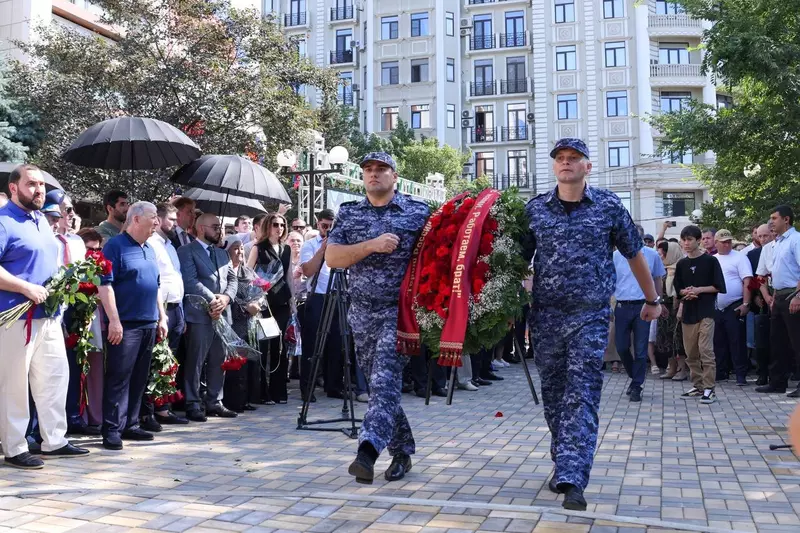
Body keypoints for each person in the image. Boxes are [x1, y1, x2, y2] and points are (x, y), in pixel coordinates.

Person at [523, 138, 660, 511]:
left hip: (591, 315)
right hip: (546, 316)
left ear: (588, 166)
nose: (566, 163)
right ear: (554, 167)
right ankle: (563, 459)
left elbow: (635, 255)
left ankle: (573, 476)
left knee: (582, 393)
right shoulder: (534, 210)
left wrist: (652, 300)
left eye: (574, 159)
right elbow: (516, 263)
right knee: (554, 395)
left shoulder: (608, 206)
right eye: (561, 159)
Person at [326, 152, 430, 485]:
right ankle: (402, 453)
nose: (374, 174)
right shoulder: (350, 213)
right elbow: (333, 258)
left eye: (381, 169)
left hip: (398, 313)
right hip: (362, 311)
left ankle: (366, 452)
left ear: (394, 176)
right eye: (368, 170)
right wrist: (371, 245)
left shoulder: (417, 212)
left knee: (385, 380)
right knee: (379, 386)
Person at [0, 164, 90, 469]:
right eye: (31, 185)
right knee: (14, 384)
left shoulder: (40, 219)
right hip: (15, 318)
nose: (39, 190)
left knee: (53, 378)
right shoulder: (3, 221)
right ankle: (14, 447)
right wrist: (26, 287)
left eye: (41, 185)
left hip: (49, 314)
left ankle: (54, 440)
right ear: (14, 188)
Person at [98, 201, 169, 451]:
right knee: (119, 377)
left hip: (149, 323)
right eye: (153, 217)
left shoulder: (149, 248)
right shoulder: (115, 247)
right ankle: (112, 429)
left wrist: (162, 317)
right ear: (136, 219)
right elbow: (104, 285)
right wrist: (114, 320)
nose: (157, 222)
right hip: (125, 325)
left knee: (139, 377)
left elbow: (156, 285)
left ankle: (131, 423)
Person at [179, 213, 238, 420]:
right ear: (202, 228)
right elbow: (190, 280)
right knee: (195, 361)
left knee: (218, 360)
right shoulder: (186, 251)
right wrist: (214, 299)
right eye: (215, 226)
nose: (219, 230)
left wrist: (226, 298)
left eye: (220, 227)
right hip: (199, 314)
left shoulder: (222, 254)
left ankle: (215, 401)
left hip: (222, 315)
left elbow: (233, 280)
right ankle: (193, 402)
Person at [140, 203, 189, 431]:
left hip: (176, 306)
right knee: (155, 361)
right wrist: (162, 316)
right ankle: (148, 411)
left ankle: (163, 407)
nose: (175, 223)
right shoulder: (151, 244)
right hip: (161, 309)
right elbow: (156, 281)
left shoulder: (170, 245)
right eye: (171, 219)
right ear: (158, 220)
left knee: (168, 361)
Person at [673, 225, 726, 404]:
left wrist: (699, 290)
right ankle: (698, 385)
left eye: (689, 240)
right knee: (691, 353)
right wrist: (686, 292)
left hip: (706, 310)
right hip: (688, 311)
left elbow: (718, 286)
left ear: (698, 240)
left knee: (706, 350)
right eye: (684, 240)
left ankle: (710, 388)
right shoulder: (681, 264)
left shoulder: (710, 261)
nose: (686, 243)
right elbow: (677, 288)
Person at [299, 210, 347, 401]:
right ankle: (307, 388)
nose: (328, 229)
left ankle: (333, 385)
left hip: (338, 296)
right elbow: (308, 270)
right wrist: (323, 249)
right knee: (312, 344)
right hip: (318, 297)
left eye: (331, 226)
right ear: (318, 224)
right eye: (324, 226)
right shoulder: (310, 245)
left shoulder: (343, 245)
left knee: (337, 343)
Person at [247, 213, 292, 405]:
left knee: (280, 348)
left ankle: (279, 391)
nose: (279, 228)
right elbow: (248, 273)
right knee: (263, 347)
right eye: (275, 224)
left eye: (282, 225)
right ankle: (261, 393)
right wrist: (259, 286)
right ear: (268, 226)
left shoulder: (287, 249)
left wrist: (292, 302)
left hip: (282, 302)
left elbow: (288, 275)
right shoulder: (259, 248)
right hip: (263, 303)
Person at [613, 243, 666, 402]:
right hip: (622, 305)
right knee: (621, 346)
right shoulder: (616, 256)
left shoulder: (652, 254)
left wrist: (658, 301)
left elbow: (657, 279)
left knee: (641, 348)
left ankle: (637, 386)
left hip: (644, 305)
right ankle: (634, 375)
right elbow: (610, 280)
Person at [756, 206, 800, 396]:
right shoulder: (778, 243)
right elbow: (774, 273)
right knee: (777, 342)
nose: (771, 222)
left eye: (774, 218)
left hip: (793, 295)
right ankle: (777, 382)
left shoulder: (796, 240)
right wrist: (773, 295)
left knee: (797, 342)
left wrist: (798, 296)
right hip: (779, 296)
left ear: (786, 219)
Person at [222, 235, 260, 413]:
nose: (239, 252)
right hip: (231, 321)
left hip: (249, 324)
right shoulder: (223, 270)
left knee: (247, 363)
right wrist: (245, 306)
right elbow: (227, 294)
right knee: (233, 363)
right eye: (235, 248)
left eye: (241, 248)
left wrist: (258, 304)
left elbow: (261, 292)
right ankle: (232, 401)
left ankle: (246, 399)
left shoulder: (249, 272)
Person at [712, 229, 753, 385]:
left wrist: (745, 303)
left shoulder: (740, 257)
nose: (727, 244)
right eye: (723, 242)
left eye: (729, 241)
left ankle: (740, 374)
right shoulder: (712, 259)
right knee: (718, 341)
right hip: (716, 306)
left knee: (737, 341)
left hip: (734, 304)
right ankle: (721, 372)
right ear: (716, 243)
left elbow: (747, 282)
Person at [657, 241, 688, 381]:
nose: (661, 256)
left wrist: (680, 305)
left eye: (663, 253)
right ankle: (671, 368)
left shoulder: (682, 267)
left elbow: (684, 289)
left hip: (678, 307)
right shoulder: (662, 268)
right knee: (666, 339)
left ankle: (682, 370)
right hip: (664, 308)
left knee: (678, 339)